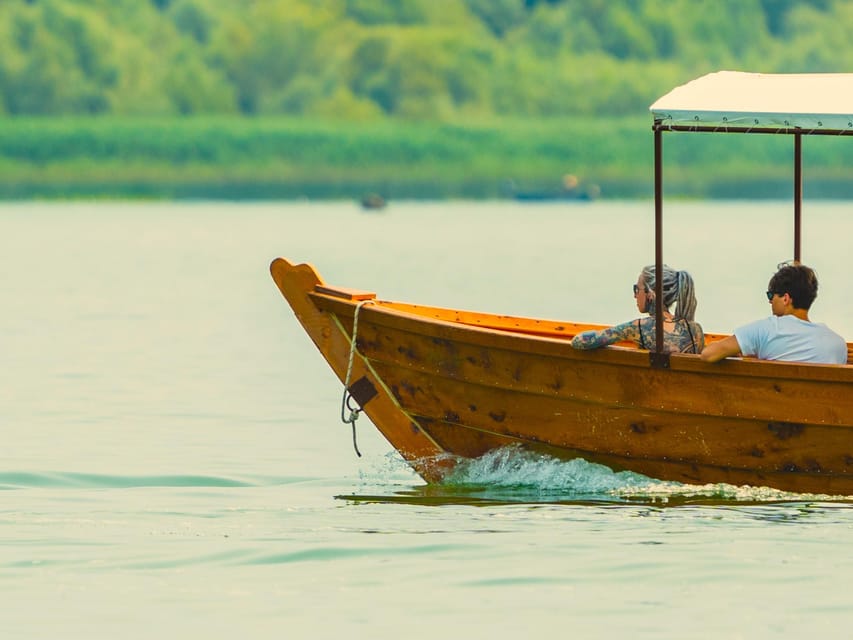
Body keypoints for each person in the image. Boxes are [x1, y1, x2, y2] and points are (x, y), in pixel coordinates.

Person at [700, 262, 847, 364]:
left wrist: (734, 352)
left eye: (771, 296)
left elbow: (708, 354)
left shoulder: (768, 328)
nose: (770, 302)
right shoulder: (837, 344)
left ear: (785, 299)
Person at [571, 264, 704, 354]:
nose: (635, 295)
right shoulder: (695, 329)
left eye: (637, 289)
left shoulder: (639, 327)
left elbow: (579, 341)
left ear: (650, 294)